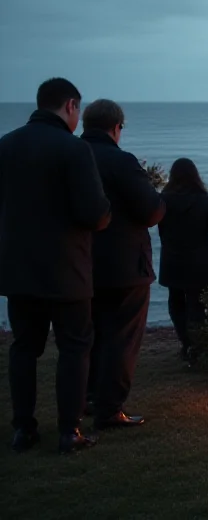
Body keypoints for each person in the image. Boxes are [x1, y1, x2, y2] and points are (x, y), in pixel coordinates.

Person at [0, 78, 111, 454]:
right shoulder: (74, 150)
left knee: (23, 348)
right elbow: (94, 213)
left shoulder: (6, 145)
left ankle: (23, 429)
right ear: (70, 106)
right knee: (75, 348)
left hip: (17, 269)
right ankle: (69, 431)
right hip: (67, 270)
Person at [82, 100, 165, 429]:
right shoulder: (120, 161)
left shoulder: (71, 157)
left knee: (89, 336)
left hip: (79, 263)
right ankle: (110, 408)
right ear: (117, 127)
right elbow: (152, 211)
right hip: (124, 266)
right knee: (122, 338)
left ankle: (86, 397)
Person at [158, 158, 208, 362]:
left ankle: (186, 343)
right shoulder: (206, 201)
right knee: (198, 304)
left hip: (173, 259)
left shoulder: (163, 200)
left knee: (176, 302)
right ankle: (197, 345)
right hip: (200, 259)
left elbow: (161, 230)